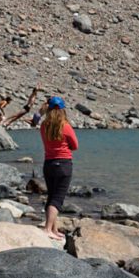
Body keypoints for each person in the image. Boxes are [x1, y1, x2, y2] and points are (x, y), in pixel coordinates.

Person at [40, 96, 78, 240]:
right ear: (62, 110)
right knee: (57, 199)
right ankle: (48, 229)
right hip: (63, 164)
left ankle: (53, 230)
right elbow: (75, 145)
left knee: (51, 196)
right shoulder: (65, 126)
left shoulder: (44, 126)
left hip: (48, 164)